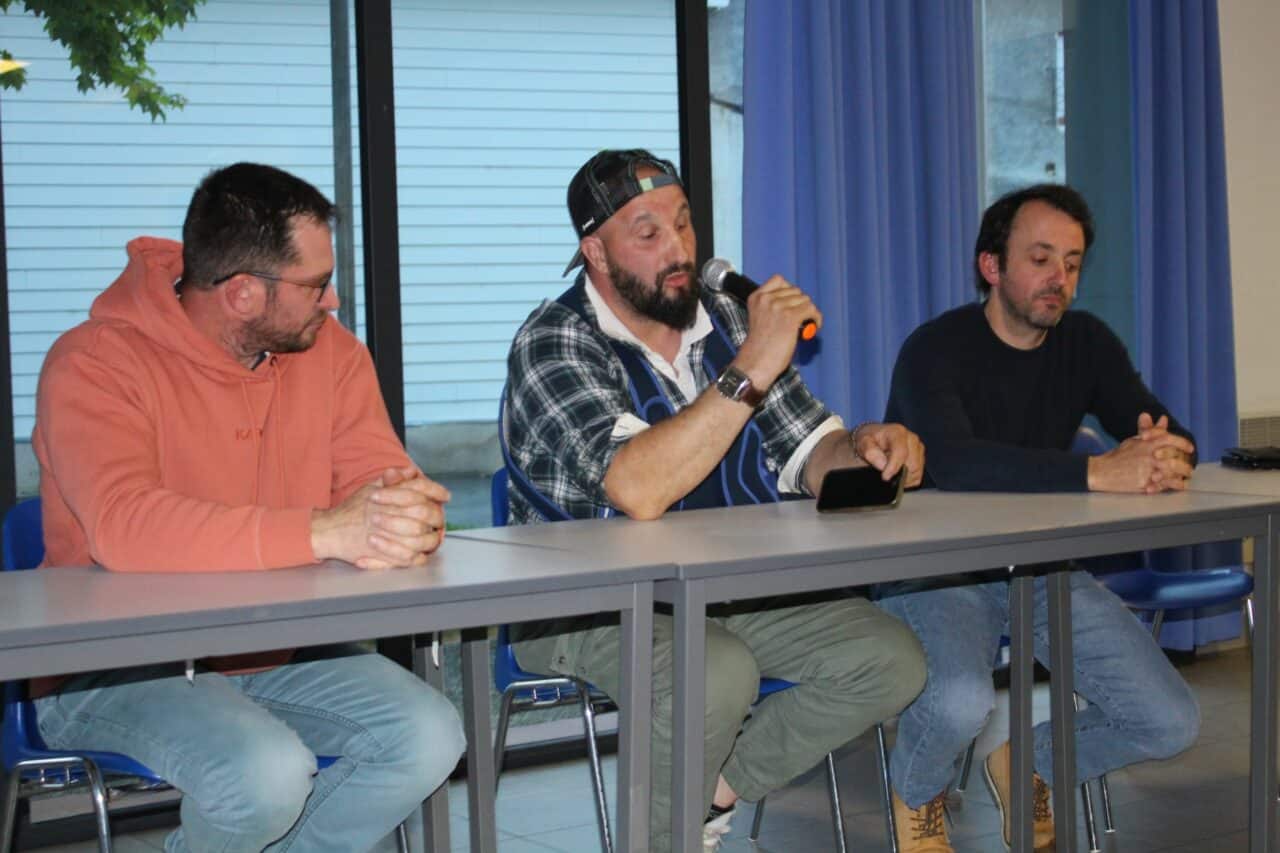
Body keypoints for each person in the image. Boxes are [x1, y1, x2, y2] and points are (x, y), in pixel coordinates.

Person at [30, 163, 465, 853]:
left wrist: (411, 516)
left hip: (274, 646)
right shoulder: (93, 363)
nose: (332, 301)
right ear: (239, 293)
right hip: (112, 663)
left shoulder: (333, 355)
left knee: (432, 735)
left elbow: (383, 484)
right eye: (316, 285)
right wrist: (326, 529)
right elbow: (123, 524)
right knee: (267, 774)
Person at [501, 148, 928, 851]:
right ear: (595, 253)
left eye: (684, 223)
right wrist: (752, 365)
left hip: (721, 589)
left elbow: (808, 449)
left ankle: (707, 795)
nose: (678, 249)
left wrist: (864, 449)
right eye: (647, 233)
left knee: (890, 656)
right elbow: (638, 487)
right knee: (715, 670)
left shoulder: (726, 319)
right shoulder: (554, 340)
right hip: (583, 602)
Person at [879, 183, 1200, 852]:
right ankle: (918, 793)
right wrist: (1097, 472)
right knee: (964, 699)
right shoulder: (933, 348)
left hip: (1042, 564)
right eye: (1042, 258)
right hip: (938, 571)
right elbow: (959, 465)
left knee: (1170, 720)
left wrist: (1168, 452)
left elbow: (1161, 423)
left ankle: (1028, 763)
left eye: (1074, 262)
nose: (1060, 278)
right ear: (991, 267)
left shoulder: (1086, 341)